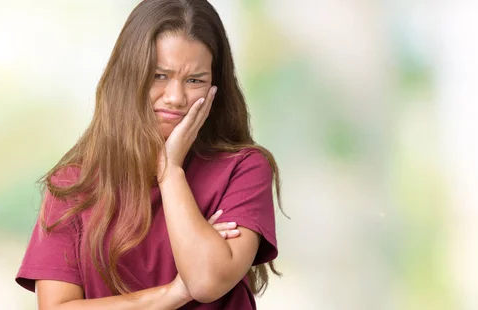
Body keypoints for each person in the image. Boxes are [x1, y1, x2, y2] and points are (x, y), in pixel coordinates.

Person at [15, 0, 283, 309]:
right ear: (129, 76)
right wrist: (172, 293)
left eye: (195, 80)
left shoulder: (243, 169)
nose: (175, 98)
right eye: (159, 75)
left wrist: (170, 171)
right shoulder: (75, 182)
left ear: (215, 86)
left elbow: (206, 282)